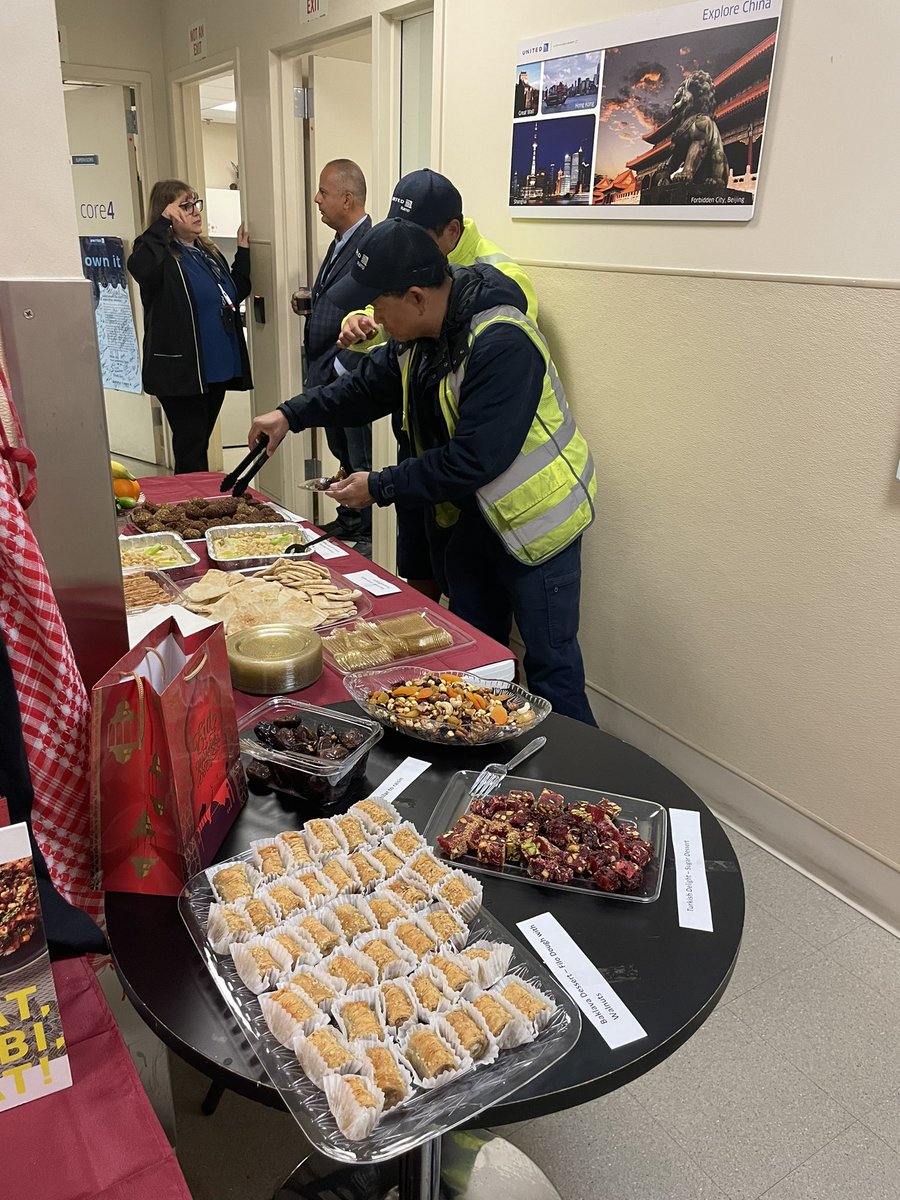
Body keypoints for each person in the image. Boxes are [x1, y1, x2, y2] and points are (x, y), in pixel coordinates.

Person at [249, 218, 597, 726]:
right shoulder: (421, 336)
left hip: (538, 527)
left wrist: (380, 485)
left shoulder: (502, 340)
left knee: (551, 668)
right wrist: (290, 414)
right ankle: (488, 775)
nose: (372, 316)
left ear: (415, 297)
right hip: (475, 523)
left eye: (378, 304)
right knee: (480, 667)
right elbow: (365, 388)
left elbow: (473, 459)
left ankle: (585, 789)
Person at [337, 169, 539, 597]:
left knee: (506, 635)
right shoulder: (413, 277)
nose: (405, 245)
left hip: (478, 477)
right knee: (425, 588)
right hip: (424, 459)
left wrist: (382, 484)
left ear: (451, 231)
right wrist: (361, 326)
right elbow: (391, 351)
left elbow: (492, 396)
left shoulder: (500, 286)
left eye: (417, 235)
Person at [127, 180, 251, 474]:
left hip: (215, 368)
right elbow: (141, 268)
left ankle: (196, 503)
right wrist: (160, 225)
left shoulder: (206, 252)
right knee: (191, 448)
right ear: (167, 213)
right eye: (185, 206)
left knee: (198, 444)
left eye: (196, 204)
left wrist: (243, 252)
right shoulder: (158, 255)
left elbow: (234, 291)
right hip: (182, 372)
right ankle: (191, 509)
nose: (195, 211)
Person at [291, 159, 372, 552]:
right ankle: (350, 520)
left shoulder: (369, 243)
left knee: (359, 451)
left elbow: (372, 312)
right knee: (340, 446)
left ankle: (365, 531)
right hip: (327, 364)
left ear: (347, 198)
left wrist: (342, 365)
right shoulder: (340, 239)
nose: (316, 199)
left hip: (350, 368)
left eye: (323, 192)